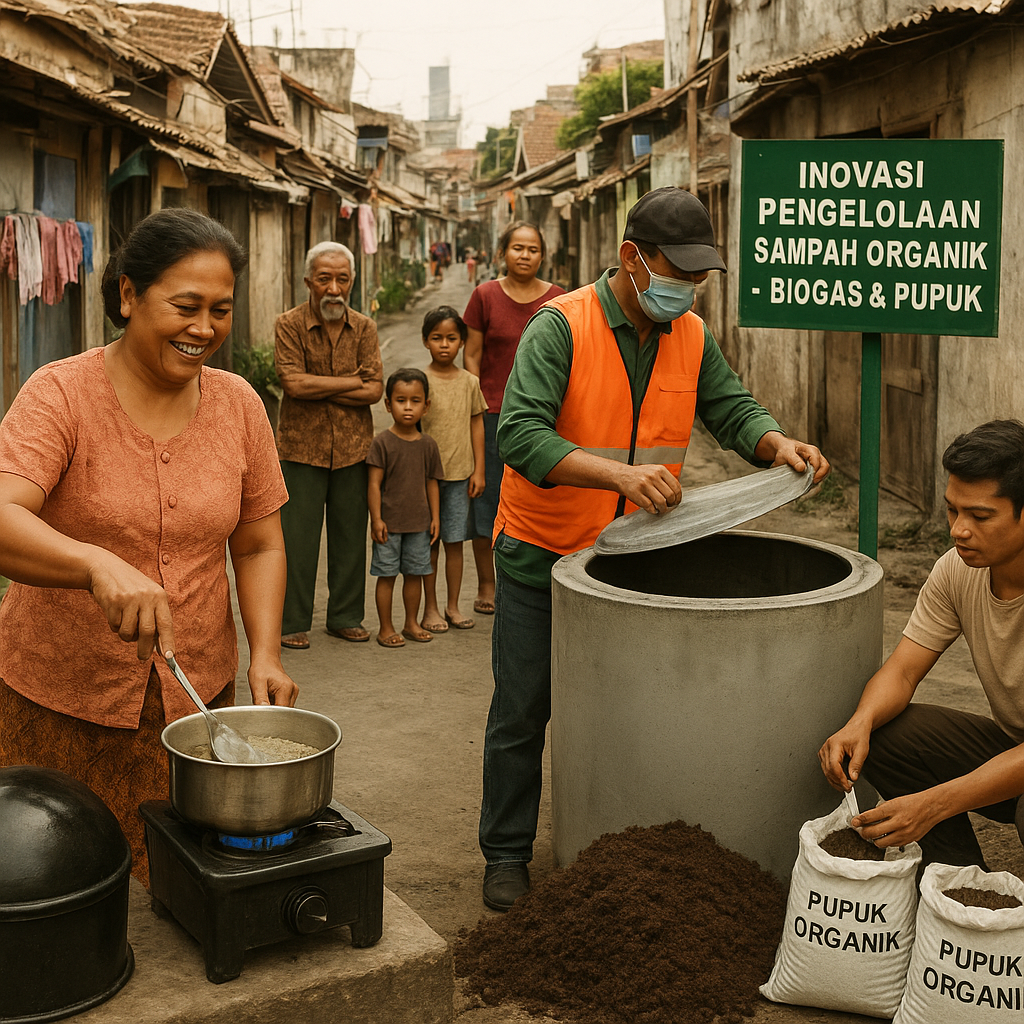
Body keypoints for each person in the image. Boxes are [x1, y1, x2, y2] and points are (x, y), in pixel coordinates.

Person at [478, 186, 831, 911]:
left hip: (635, 559)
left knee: (629, 709)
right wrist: (615, 472)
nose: (689, 289)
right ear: (631, 258)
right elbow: (518, 433)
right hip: (542, 553)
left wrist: (775, 443)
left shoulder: (693, 334)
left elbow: (728, 407)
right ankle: (507, 854)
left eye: (700, 278)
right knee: (523, 710)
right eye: (679, 273)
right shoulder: (561, 327)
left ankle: (621, 849)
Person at [0, 208, 298, 883]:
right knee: (60, 888)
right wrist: (94, 562)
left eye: (220, 310)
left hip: (194, 708)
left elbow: (258, 545)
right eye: (186, 306)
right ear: (129, 295)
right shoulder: (60, 395)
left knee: (181, 893)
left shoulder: (240, 405)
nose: (204, 329)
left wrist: (268, 653)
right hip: (59, 704)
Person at [819, 419, 1024, 867]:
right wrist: (860, 723)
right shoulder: (956, 569)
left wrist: (932, 804)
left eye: (980, 516)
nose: (958, 529)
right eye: (953, 510)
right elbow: (904, 669)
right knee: (887, 732)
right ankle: (960, 889)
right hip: (1013, 751)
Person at [275, 241, 383, 650]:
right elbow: (293, 383)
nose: (333, 288)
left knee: (350, 536)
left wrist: (321, 387)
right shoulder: (289, 324)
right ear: (308, 282)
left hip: (355, 448)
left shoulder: (365, 328)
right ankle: (291, 622)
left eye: (341, 279)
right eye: (324, 279)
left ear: (352, 282)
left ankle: (344, 616)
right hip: (301, 447)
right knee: (296, 539)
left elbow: (375, 390)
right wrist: (351, 382)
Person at [463, 221, 565, 616]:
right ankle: (488, 585)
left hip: (545, 418)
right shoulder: (484, 296)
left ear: (543, 255)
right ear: (502, 252)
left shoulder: (559, 300)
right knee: (486, 499)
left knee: (542, 498)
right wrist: (476, 400)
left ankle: (542, 579)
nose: (524, 255)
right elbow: (472, 354)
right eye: (517, 248)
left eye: (533, 249)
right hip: (491, 414)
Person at [419, 306, 488, 633]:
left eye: (451, 338)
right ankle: (430, 608)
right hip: (425, 479)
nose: (444, 345)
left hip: (460, 476)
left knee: (455, 543)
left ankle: (452, 606)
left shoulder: (470, 382)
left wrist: (479, 470)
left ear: (462, 342)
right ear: (425, 341)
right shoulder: (420, 382)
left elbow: (478, 424)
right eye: (436, 338)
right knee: (429, 543)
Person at [366, 368, 443, 648]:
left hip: (419, 524)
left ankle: (411, 623)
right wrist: (376, 519)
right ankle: (385, 628)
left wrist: (435, 517)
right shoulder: (382, 443)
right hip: (389, 524)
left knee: (415, 575)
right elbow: (373, 484)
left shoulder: (428, 445)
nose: (408, 407)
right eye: (401, 400)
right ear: (388, 405)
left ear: (426, 405)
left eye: (415, 401)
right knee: (386, 576)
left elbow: (432, 483)